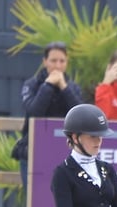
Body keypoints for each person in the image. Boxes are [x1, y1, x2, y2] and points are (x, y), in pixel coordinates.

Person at [13, 41, 84, 189]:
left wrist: (64, 87)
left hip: (66, 155)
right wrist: (48, 85)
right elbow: (34, 113)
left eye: (62, 61)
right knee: (35, 205)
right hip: (33, 154)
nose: (57, 66)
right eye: (53, 61)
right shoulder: (31, 85)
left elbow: (79, 115)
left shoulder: (73, 88)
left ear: (67, 63)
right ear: (45, 61)